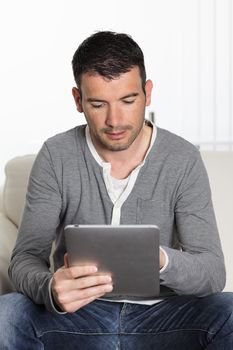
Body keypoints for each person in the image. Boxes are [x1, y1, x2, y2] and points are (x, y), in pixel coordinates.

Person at [0, 30, 233, 350]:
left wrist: (161, 260)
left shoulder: (182, 158)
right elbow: (26, 259)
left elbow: (211, 272)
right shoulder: (56, 155)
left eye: (128, 100)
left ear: (147, 93)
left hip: (162, 317)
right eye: (98, 104)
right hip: (76, 317)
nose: (115, 120)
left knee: (229, 311)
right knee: (7, 313)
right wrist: (51, 287)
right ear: (78, 100)